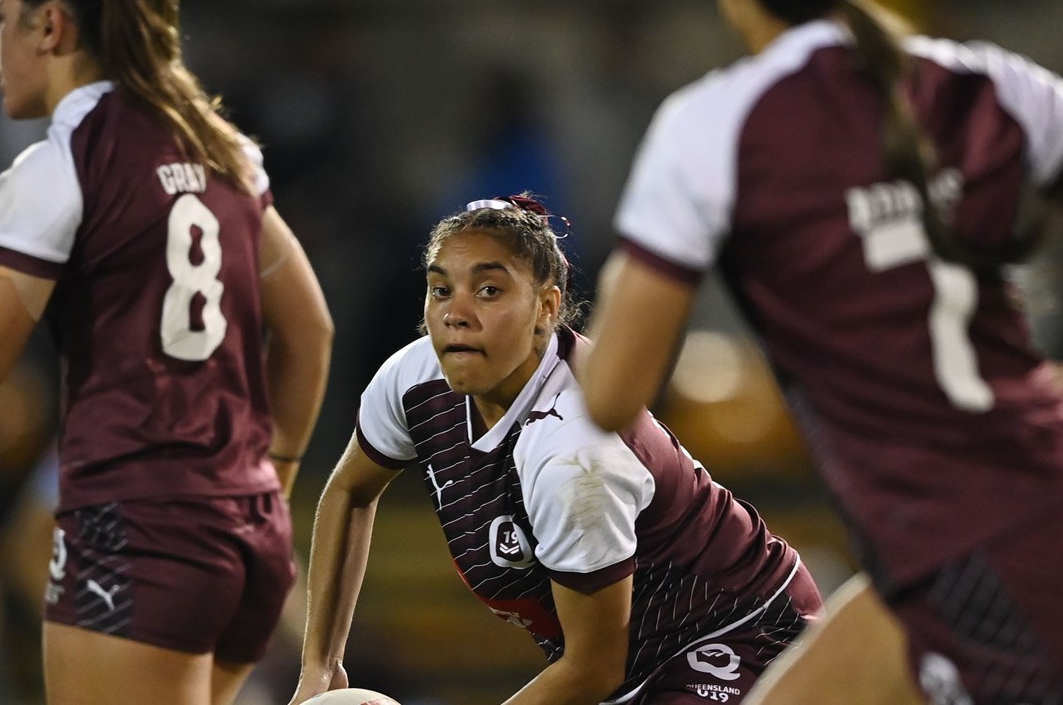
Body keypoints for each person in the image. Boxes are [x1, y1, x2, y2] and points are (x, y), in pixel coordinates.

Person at [576, 0, 1063, 703]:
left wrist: (636, 262)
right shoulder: (991, 83)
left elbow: (613, 395)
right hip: (1047, 541)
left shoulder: (709, 128)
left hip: (989, 578)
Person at [0, 0, 333, 703]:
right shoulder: (226, 151)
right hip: (247, 539)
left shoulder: (62, 164)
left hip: (137, 533)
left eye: (4, 21)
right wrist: (269, 486)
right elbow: (311, 334)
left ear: (51, 27)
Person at [291, 196, 822, 705]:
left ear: (546, 307)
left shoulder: (573, 452)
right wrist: (320, 665)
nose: (457, 314)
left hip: (740, 638)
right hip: (626, 669)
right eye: (440, 290)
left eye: (490, 291)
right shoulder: (413, 378)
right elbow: (349, 491)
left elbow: (594, 667)